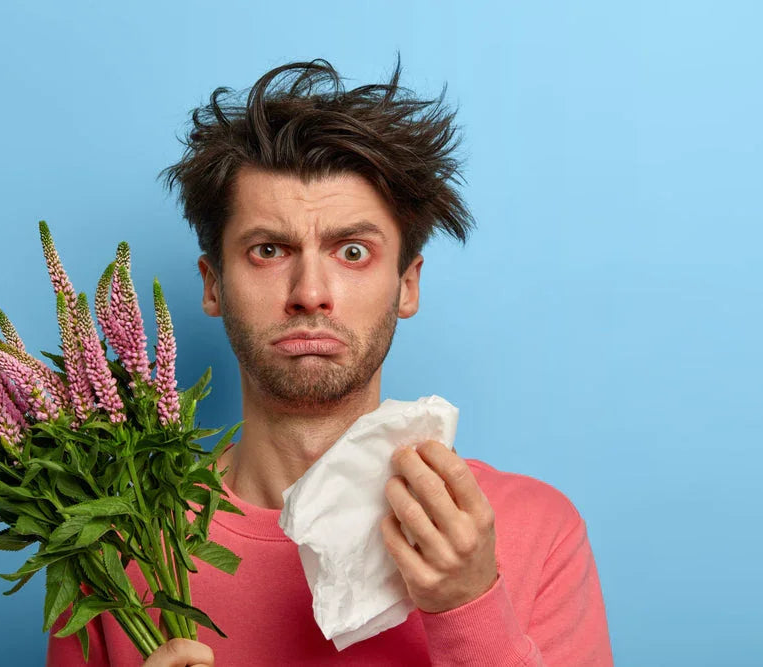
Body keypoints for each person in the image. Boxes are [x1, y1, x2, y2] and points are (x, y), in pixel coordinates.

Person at [46, 56, 614, 666]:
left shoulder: (533, 530)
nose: (310, 291)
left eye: (352, 250)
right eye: (268, 250)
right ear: (213, 285)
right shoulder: (115, 547)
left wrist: (468, 605)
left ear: (407, 285)